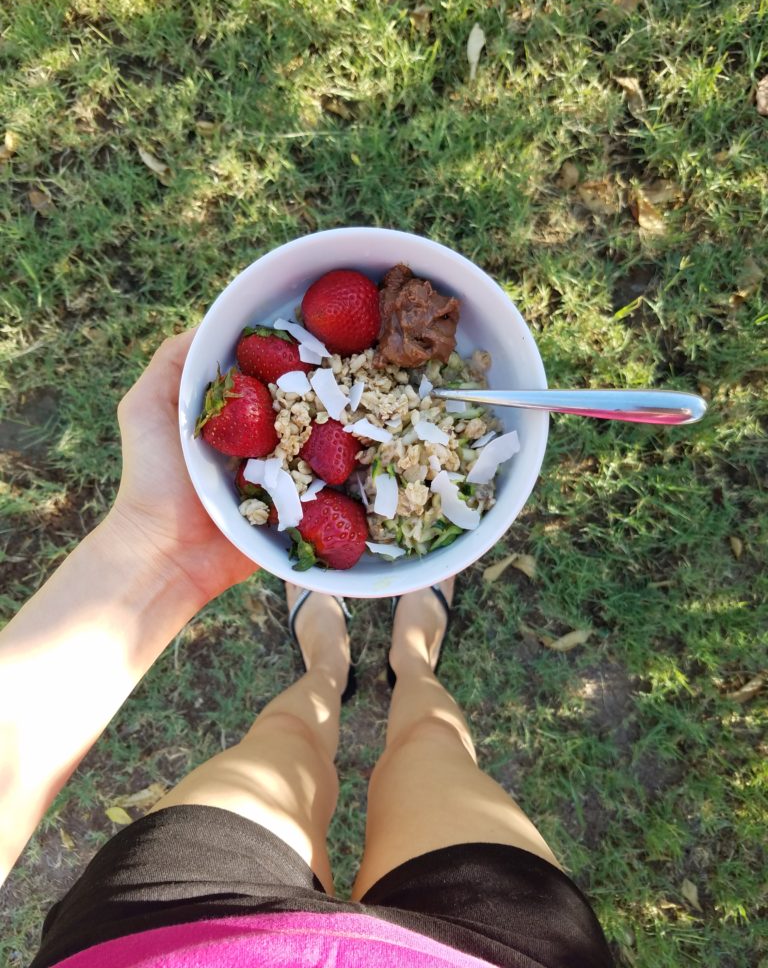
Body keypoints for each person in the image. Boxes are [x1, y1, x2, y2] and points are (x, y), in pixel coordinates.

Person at [0, 332, 614, 968]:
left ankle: (334, 662)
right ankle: (408, 657)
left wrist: (158, 551)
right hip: (499, 951)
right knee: (432, 741)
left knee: (286, 738)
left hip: (170, 936)